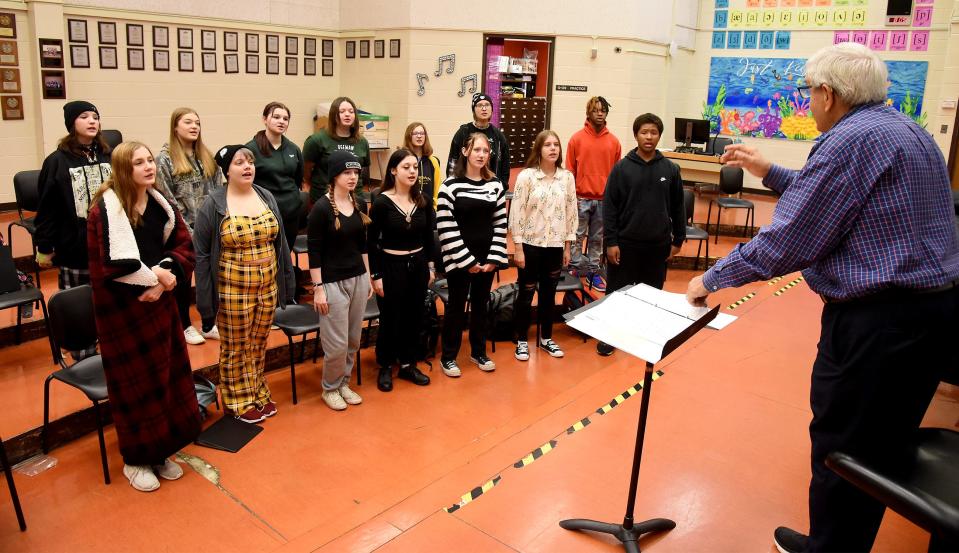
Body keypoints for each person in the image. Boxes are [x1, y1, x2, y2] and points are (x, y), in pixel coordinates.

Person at [684, 43, 959, 553]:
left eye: (809, 92)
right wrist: (770, 170)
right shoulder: (909, 133)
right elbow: (837, 198)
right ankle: (839, 543)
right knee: (884, 446)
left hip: (876, 325)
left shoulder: (846, 141)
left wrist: (711, 278)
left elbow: (791, 239)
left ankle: (830, 548)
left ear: (829, 95)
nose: (807, 101)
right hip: (933, 318)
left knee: (843, 447)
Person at [86, 141, 200, 492]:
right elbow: (106, 265)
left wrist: (164, 278)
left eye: (150, 160)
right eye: (139, 163)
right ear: (123, 169)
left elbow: (182, 245)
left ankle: (161, 450)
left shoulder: (159, 203)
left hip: (161, 305)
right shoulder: (103, 210)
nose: (149, 167)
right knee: (137, 386)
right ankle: (136, 459)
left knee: (166, 378)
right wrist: (154, 281)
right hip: (124, 313)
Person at [194, 145, 296, 424]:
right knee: (236, 345)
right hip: (232, 289)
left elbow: (281, 241)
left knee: (258, 342)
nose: (247, 166)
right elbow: (202, 255)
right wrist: (205, 300)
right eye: (239, 162)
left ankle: (256, 391)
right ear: (227, 170)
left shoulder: (265, 196)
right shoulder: (213, 204)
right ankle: (236, 400)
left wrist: (287, 281)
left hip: (267, 287)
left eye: (250, 161)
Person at [600, 113, 685, 357]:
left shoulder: (670, 169)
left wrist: (677, 239)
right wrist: (611, 242)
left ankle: (645, 337)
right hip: (626, 245)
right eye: (644, 132)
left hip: (657, 246)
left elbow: (678, 206)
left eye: (654, 132)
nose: (649, 137)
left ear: (659, 135)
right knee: (616, 294)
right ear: (636, 135)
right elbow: (610, 207)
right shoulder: (622, 168)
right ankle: (609, 337)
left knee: (652, 295)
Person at [34, 100, 112, 360]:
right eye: (84, 117)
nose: (92, 121)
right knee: (80, 304)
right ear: (71, 124)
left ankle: (109, 345)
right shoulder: (56, 162)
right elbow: (47, 209)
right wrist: (44, 246)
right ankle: (83, 352)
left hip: (109, 245)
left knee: (109, 300)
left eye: (95, 116)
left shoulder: (108, 156)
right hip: (75, 247)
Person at [437, 133, 508, 377]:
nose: (481, 155)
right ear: (465, 152)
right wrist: (467, 261)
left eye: (485, 151)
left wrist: (492, 259)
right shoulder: (450, 185)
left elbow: (500, 224)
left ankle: (478, 352)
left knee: (481, 305)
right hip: (458, 259)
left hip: (486, 259)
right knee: (456, 307)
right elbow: (446, 226)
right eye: (476, 150)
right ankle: (448, 357)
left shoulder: (495, 184)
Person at [307, 151, 372, 411]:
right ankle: (330, 387)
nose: (353, 177)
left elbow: (363, 245)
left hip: (357, 278)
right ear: (334, 176)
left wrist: (367, 276)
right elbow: (313, 253)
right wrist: (318, 290)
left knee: (353, 339)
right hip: (332, 283)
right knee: (336, 343)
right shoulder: (321, 209)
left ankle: (344, 382)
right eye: (347, 173)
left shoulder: (360, 204)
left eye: (356, 173)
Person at [155, 107, 224, 346]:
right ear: (175, 126)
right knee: (183, 281)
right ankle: (184, 324)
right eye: (188, 122)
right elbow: (166, 199)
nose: (194, 126)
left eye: (197, 122)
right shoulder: (164, 159)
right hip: (181, 231)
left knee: (209, 278)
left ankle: (208, 323)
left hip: (209, 228)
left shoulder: (206, 156)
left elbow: (218, 192)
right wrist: (188, 231)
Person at [368, 149, 435, 392]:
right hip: (390, 266)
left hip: (417, 266)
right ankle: (386, 364)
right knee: (390, 317)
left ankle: (408, 363)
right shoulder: (381, 202)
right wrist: (376, 276)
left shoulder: (423, 200)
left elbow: (428, 237)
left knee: (414, 316)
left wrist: (430, 266)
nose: (412, 172)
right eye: (406, 167)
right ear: (393, 170)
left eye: (415, 168)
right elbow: (372, 242)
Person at [509, 130, 577, 362]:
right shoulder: (527, 177)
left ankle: (546, 338)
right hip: (530, 244)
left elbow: (571, 211)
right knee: (526, 294)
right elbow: (516, 211)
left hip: (555, 244)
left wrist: (567, 246)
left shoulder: (566, 177)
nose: (552, 148)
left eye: (556, 144)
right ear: (538, 149)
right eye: (547, 144)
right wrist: (517, 247)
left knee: (549, 294)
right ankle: (520, 341)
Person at [566, 96, 622, 291]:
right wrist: (571, 197)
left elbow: (616, 175)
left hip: (603, 200)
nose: (600, 113)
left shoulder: (614, 142)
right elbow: (570, 170)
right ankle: (574, 268)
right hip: (581, 198)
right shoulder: (576, 139)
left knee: (597, 238)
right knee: (577, 236)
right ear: (588, 113)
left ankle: (592, 271)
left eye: (603, 110)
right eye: (596, 110)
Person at [246, 101, 304, 251]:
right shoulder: (251, 149)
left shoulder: (293, 149)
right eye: (276, 117)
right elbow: (245, 183)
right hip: (263, 213)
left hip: (290, 212)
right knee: (267, 254)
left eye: (285, 119)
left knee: (286, 253)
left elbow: (298, 179)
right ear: (265, 119)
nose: (281, 121)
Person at [302, 97, 371, 203]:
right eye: (342, 111)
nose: (347, 114)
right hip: (324, 197)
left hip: (354, 197)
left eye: (351, 111)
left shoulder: (362, 142)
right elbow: (306, 169)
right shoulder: (317, 140)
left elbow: (362, 171)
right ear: (334, 115)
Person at [447, 93, 511, 185]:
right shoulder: (463, 132)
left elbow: (505, 164)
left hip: (491, 187)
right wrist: (452, 185)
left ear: (492, 109)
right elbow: (453, 161)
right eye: (480, 105)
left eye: (487, 105)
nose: (484, 109)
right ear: (473, 110)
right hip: (465, 186)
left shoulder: (498, 135)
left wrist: (502, 186)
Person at [403, 122, 443, 208]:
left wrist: (435, 208)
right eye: (415, 133)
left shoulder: (433, 161)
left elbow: (437, 188)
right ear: (409, 136)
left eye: (422, 133)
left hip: (428, 209)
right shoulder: (403, 160)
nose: (419, 136)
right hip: (407, 207)